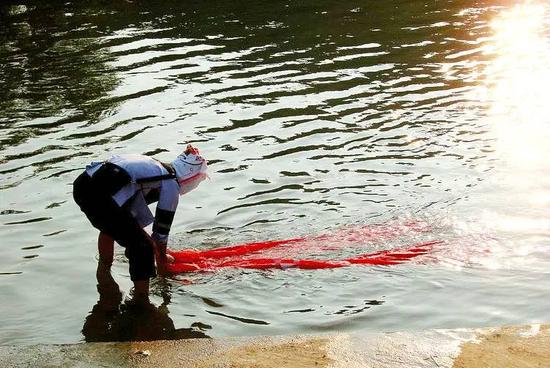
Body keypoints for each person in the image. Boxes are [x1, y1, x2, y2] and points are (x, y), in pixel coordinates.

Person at [73, 144, 208, 303]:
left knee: (110, 227)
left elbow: (128, 215)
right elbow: (161, 231)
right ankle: (141, 300)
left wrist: (158, 249)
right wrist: (162, 260)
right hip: (98, 193)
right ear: (190, 176)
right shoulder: (170, 182)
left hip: (84, 185)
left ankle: (104, 271)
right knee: (142, 247)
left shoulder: (157, 167)